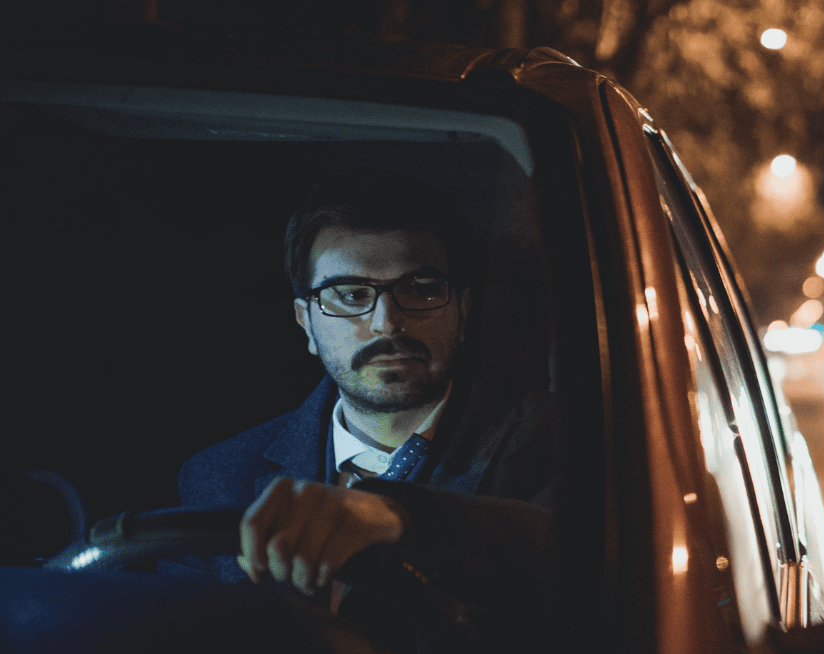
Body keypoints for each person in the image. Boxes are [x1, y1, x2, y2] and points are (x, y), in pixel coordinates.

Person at [174, 171, 554, 614]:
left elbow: (577, 551)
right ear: (306, 323)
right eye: (351, 294)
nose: (387, 323)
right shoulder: (219, 477)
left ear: (463, 310)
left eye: (421, 291)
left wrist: (403, 517)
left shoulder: (552, 442)